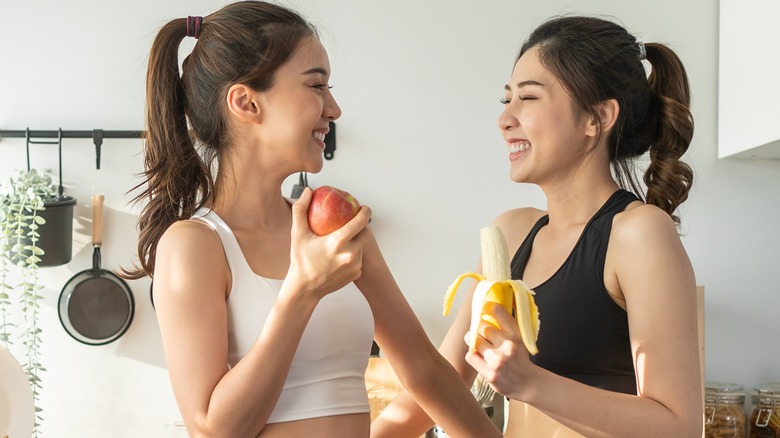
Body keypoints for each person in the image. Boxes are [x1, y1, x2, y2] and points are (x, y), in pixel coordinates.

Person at [123, 2, 502, 437]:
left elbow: (424, 371)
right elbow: (213, 429)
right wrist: (300, 294)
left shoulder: (338, 228)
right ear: (246, 102)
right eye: (316, 86)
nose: (334, 108)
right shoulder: (194, 244)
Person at [370, 15, 703, 438]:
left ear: (597, 117)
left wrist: (530, 382)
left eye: (528, 97)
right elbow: (440, 385)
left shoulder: (638, 234)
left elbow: (679, 427)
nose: (505, 119)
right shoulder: (510, 234)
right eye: (506, 98)